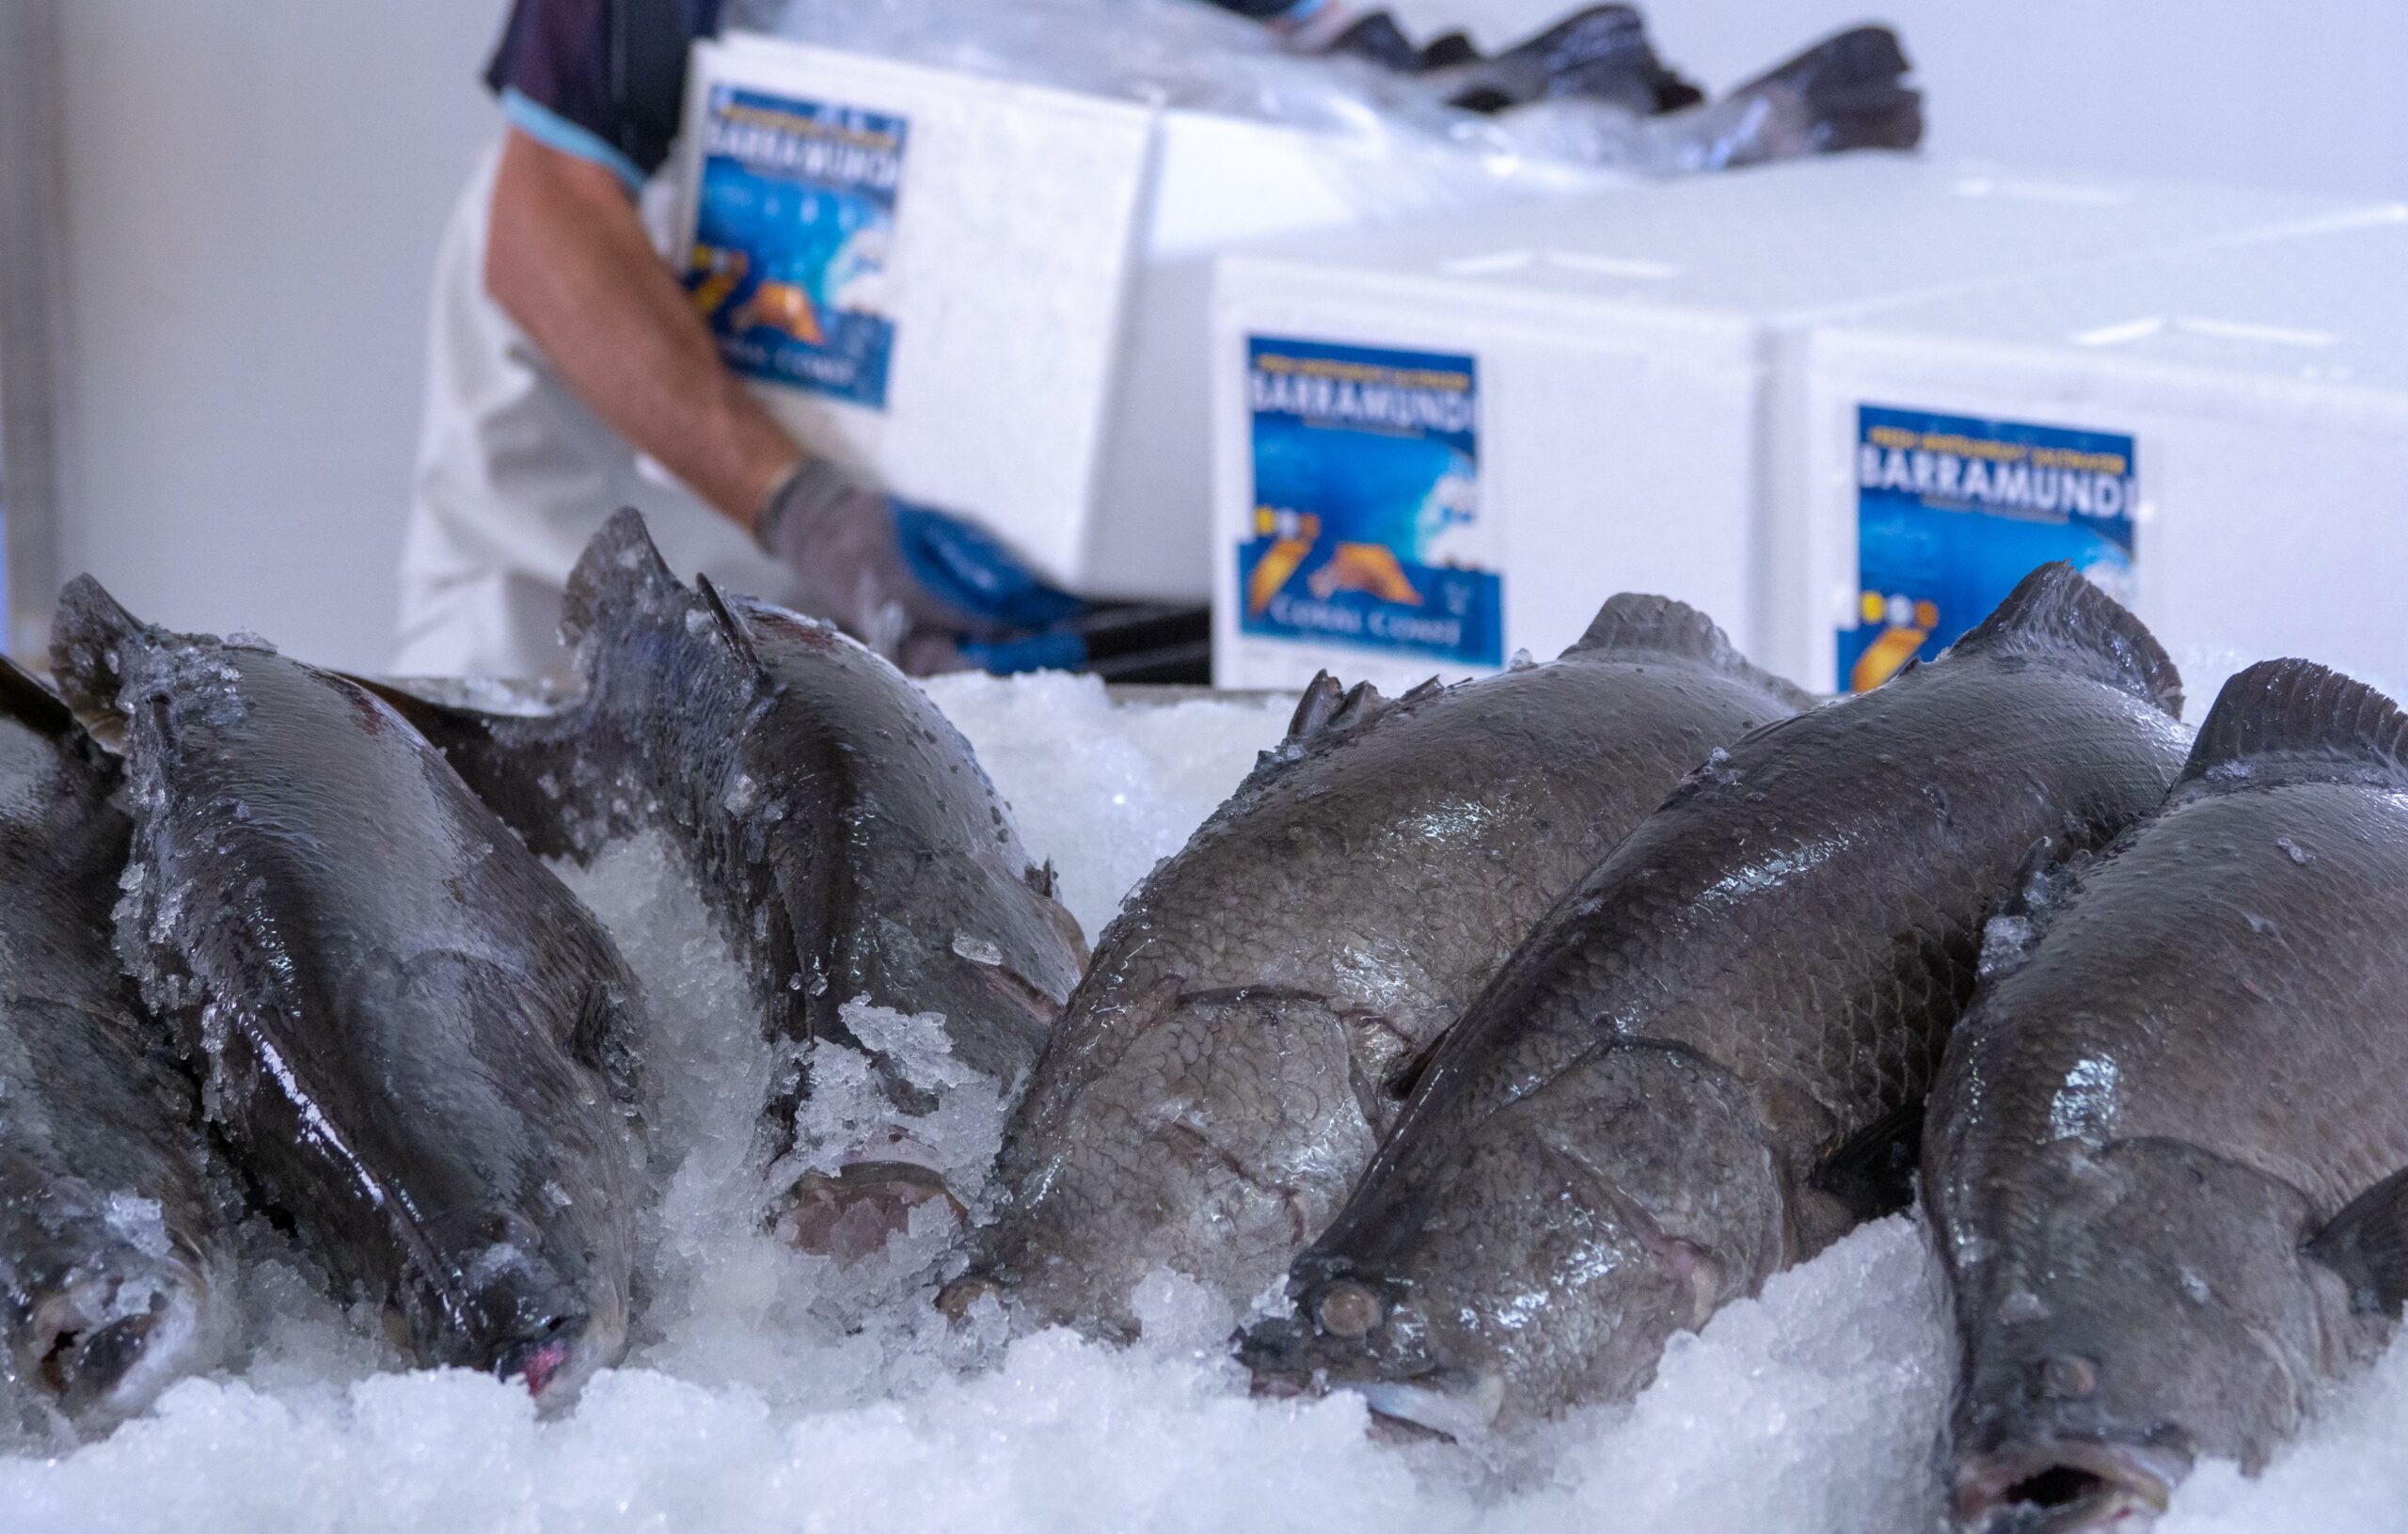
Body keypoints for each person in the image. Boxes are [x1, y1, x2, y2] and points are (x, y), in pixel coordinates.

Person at [393, 0, 1353, 680]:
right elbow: (545, 212)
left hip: (928, 576)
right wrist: (811, 513)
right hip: (602, 527)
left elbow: (1304, 134)